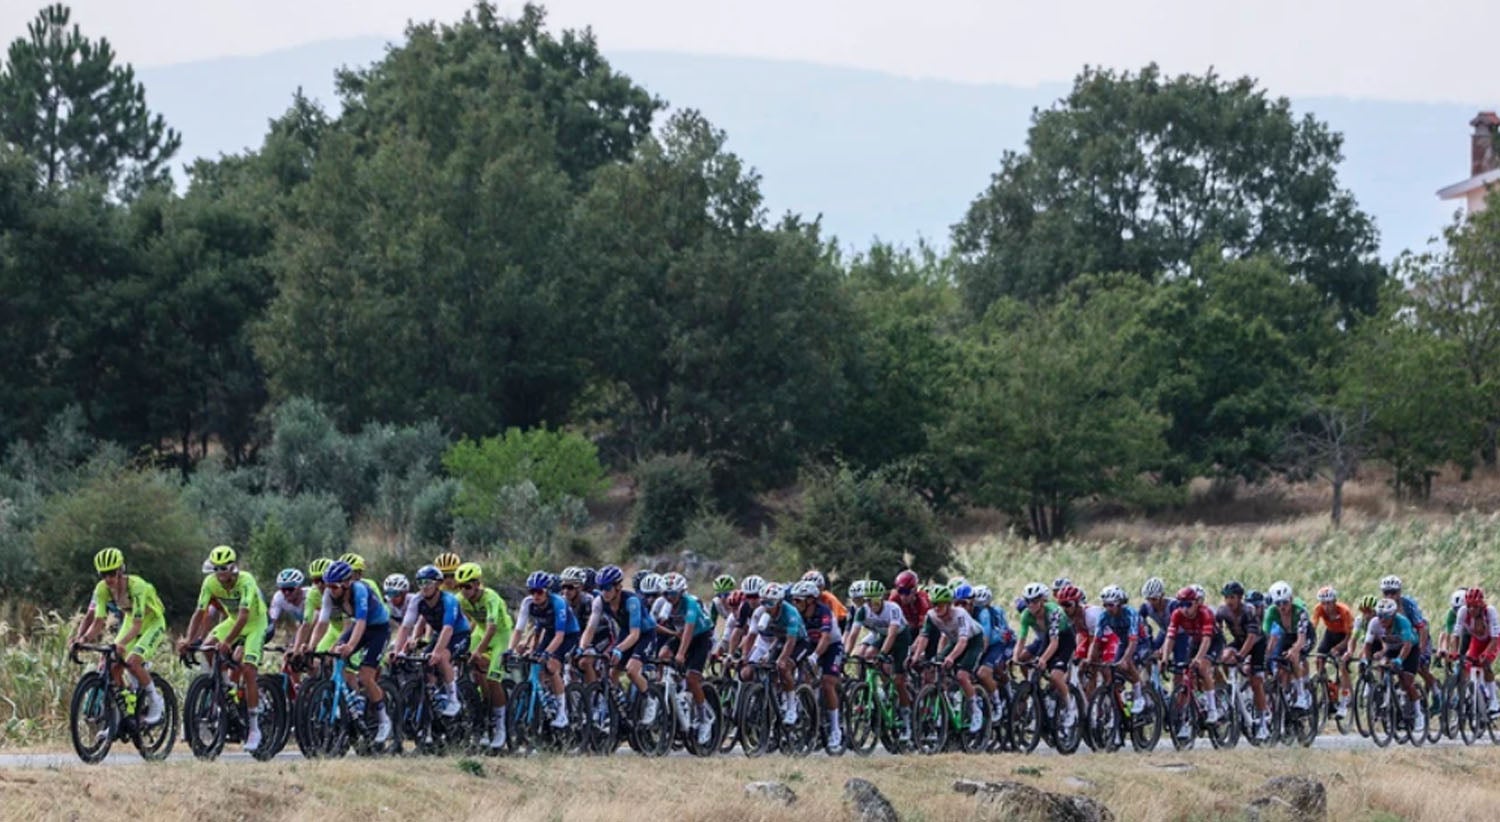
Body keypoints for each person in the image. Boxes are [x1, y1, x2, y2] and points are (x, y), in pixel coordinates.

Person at [177, 545, 269, 752]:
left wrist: (228, 641)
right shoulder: (210, 582)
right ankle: (226, 686)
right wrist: (189, 640)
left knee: (248, 669)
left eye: (224, 568)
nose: (220, 573)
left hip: (255, 623)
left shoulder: (246, 580)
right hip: (233, 620)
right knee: (208, 647)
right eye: (216, 568)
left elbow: (244, 616)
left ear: (233, 567)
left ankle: (254, 728)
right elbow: (199, 612)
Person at [71, 548, 167, 725]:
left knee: (132, 661)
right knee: (112, 665)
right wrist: (82, 639)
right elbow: (98, 621)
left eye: (112, 573)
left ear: (121, 570)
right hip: (131, 621)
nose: (108, 579)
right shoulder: (102, 589)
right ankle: (125, 711)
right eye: (103, 575)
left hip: (152, 622)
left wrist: (121, 643)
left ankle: (156, 703)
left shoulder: (137, 586)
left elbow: (138, 625)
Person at [311, 559, 393, 744]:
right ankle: (354, 699)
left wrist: (350, 646)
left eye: (334, 586)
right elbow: (322, 623)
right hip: (359, 627)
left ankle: (383, 718)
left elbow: (362, 622)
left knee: (365, 676)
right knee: (333, 656)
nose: (329, 590)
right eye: (327, 585)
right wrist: (311, 646)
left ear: (347, 583)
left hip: (378, 629)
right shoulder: (329, 594)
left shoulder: (360, 590)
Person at [581, 564, 658, 723]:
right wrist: (582, 648)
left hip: (644, 634)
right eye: (601, 588)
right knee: (612, 673)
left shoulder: (631, 601)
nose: (604, 592)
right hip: (625, 632)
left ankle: (650, 700)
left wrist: (618, 649)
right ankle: (619, 707)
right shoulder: (599, 601)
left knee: (631, 671)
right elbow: (590, 629)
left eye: (607, 588)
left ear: (618, 587)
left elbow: (635, 634)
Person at [395, 565, 470, 717]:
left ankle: (453, 699)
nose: (424, 587)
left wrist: (437, 652)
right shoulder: (417, 600)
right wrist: (398, 651)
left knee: (441, 658)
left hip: (459, 634)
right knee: (425, 663)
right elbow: (405, 627)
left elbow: (448, 629)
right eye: (420, 583)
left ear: (438, 584)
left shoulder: (449, 600)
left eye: (428, 583)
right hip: (439, 633)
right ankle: (434, 697)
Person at [913, 584, 986, 733]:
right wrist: (916, 656)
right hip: (954, 641)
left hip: (973, 641)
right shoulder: (931, 615)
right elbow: (924, 637)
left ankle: (975, 710)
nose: (936, 608)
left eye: (940, 604)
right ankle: (942, 708)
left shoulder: (960, 614)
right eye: (934, 604)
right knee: (934, 669)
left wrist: (951, 657)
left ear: (948, 604)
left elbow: (963, 641)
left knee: (961, 676)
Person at [844, 578, 913, 738]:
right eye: (868, 601)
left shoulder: (893, 608)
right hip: (882, 636)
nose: (871, 604)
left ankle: (906, 720)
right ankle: (883, 688)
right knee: (867, 655)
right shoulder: (862, 610)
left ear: (882, 599)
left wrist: (882, 654)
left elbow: (892, 634)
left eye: (875, 601)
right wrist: (846, 653)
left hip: (900, 638)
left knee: (898, 680)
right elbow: (853, 634)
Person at [454, 562, 512, 750]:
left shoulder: (490, 597)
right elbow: (459, 621)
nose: (464, 591)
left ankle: (500, 725)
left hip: (500, 634)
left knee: (493, 678)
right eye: (460, 587)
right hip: (479, 632)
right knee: (466, 662)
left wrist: (479, 651)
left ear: (477, 584)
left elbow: (492, 627)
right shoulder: (460, 599)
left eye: (467, 586)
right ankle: (482, 709)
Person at [519, 570, 582, 728]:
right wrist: (514, 648)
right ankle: (547, 699)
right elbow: (521, 630)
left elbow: (560, 636)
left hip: (568, 635)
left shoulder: (558, 602)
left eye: (539, 592)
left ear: (547, 591)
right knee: (538, 669)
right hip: (550, 633)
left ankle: (561, 713)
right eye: (532, 591)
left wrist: (547, 654)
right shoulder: (528, 603)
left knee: (552, 665)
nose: (535, 595)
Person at [662, 572, 718, 745]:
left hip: (700, 637)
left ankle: (704, 718)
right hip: (681, 635)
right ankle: (677, 691)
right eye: (665, 593)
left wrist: (681, 653)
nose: (669, 597)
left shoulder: (690, 603)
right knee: (662, 655)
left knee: (692, 678)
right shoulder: (665, 604)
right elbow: (657, 624)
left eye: (672, 594)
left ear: (681, 592)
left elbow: (689, 629)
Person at [739, 583, 807, 725]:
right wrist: (745, 656)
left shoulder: (791, 613)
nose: (767, 607)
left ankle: (791, 706)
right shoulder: (759, 613)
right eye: (763, 602)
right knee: (756, 670)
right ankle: (769, 699)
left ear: (780, 602)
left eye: (770, 603)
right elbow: (751, 636)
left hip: (799, 641)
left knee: (783, 667)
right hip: (779, 640)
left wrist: (782, 659)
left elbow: (791, 641)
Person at [1015, 582, 1078, 731]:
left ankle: (1070, 708)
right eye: (1028, 601)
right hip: (1046, 639)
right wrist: (1015, 658)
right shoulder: (1026, 615)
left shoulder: (1054, 611)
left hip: (1064, 640)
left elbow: (1055, 642)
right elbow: (1021, 640)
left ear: (1043, 601)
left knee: (1056, 676)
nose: (1031, 605)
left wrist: (1044, 659)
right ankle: (1039, 705)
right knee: (1033, 668)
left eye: (1035, 601)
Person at [791, 579, 844, 749]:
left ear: (811, 600)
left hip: (832, 646)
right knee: (802, 678)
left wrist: (815, 656)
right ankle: (810, 717)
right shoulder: (797, 614)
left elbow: (826, 638)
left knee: (827, 683)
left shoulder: (824, 612)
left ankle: (835, 729)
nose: (795, 603)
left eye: (798, 600)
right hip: (811, 644)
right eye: (793, 600)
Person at [1161, 586, 1218, 739]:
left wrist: (1198, 659)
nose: (1184, 609)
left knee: (1202, 667)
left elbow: (1207, 640)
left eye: (1188, 604)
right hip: (1195, 642)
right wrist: (1165, 658)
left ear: (1196, 603)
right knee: (1186, 678)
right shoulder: (1177, 614)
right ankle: (1186, 720)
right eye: (1181, 604)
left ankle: (1212, 709)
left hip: (1213, 642)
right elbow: (1170, 637)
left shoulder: (1205, 613)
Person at [1362, 597, 1425, 733]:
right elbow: (1367, 645)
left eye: (1385, 617)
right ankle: (1387, 697)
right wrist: (1367, 662)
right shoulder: (1374, 623)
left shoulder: (1402, 622)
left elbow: (1407, 645)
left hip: (1409, 649)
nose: (1382, 620)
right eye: (1379, 615)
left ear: (1393, 615)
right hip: (1391, 649)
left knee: (1406, 681)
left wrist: (1399, 661)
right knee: (1383, 667)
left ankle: (1419, 713)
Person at [1216, 580, 1269, 740]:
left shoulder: (1249, 611)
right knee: (1224, 657)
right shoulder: (1222, 611)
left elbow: (1252, 637)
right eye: (1226, 597)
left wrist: (1241, 656)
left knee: (1256, 682)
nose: (1229, 601)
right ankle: (1231, 687)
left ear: (1240, 598)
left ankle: (1263, 723)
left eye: (1232, 597)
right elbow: (1217, 632)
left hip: (1257, 644)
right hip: (1239, 641)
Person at [1451, 587, 1500, 716]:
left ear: (1481, 605)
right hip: (1477, 641)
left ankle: (1494, 701)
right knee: (1465, 664)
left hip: (1492, 641)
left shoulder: (1490, 611)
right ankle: (1468, 693)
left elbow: (1495, 638)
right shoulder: (1463, 611)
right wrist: (1454, 652)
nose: (1472, 610)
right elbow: (1456, 634)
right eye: (1469, 606)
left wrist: (1485, 654)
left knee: (1485, 663)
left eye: (1475, 607)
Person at [1311, 586, 1356, 720]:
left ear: (1334, 601)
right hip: (1330, 634)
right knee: (1319, 658)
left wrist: (1339, 648)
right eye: (1323, 603)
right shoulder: (1318, 609)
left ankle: (1346, 696)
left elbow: (1350, 635)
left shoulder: (1344, 611)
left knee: (1342, 665)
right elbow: (1313, 626)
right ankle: (1325, 686)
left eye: (1329, 603)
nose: (1326, 607)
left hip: (1344, 636)